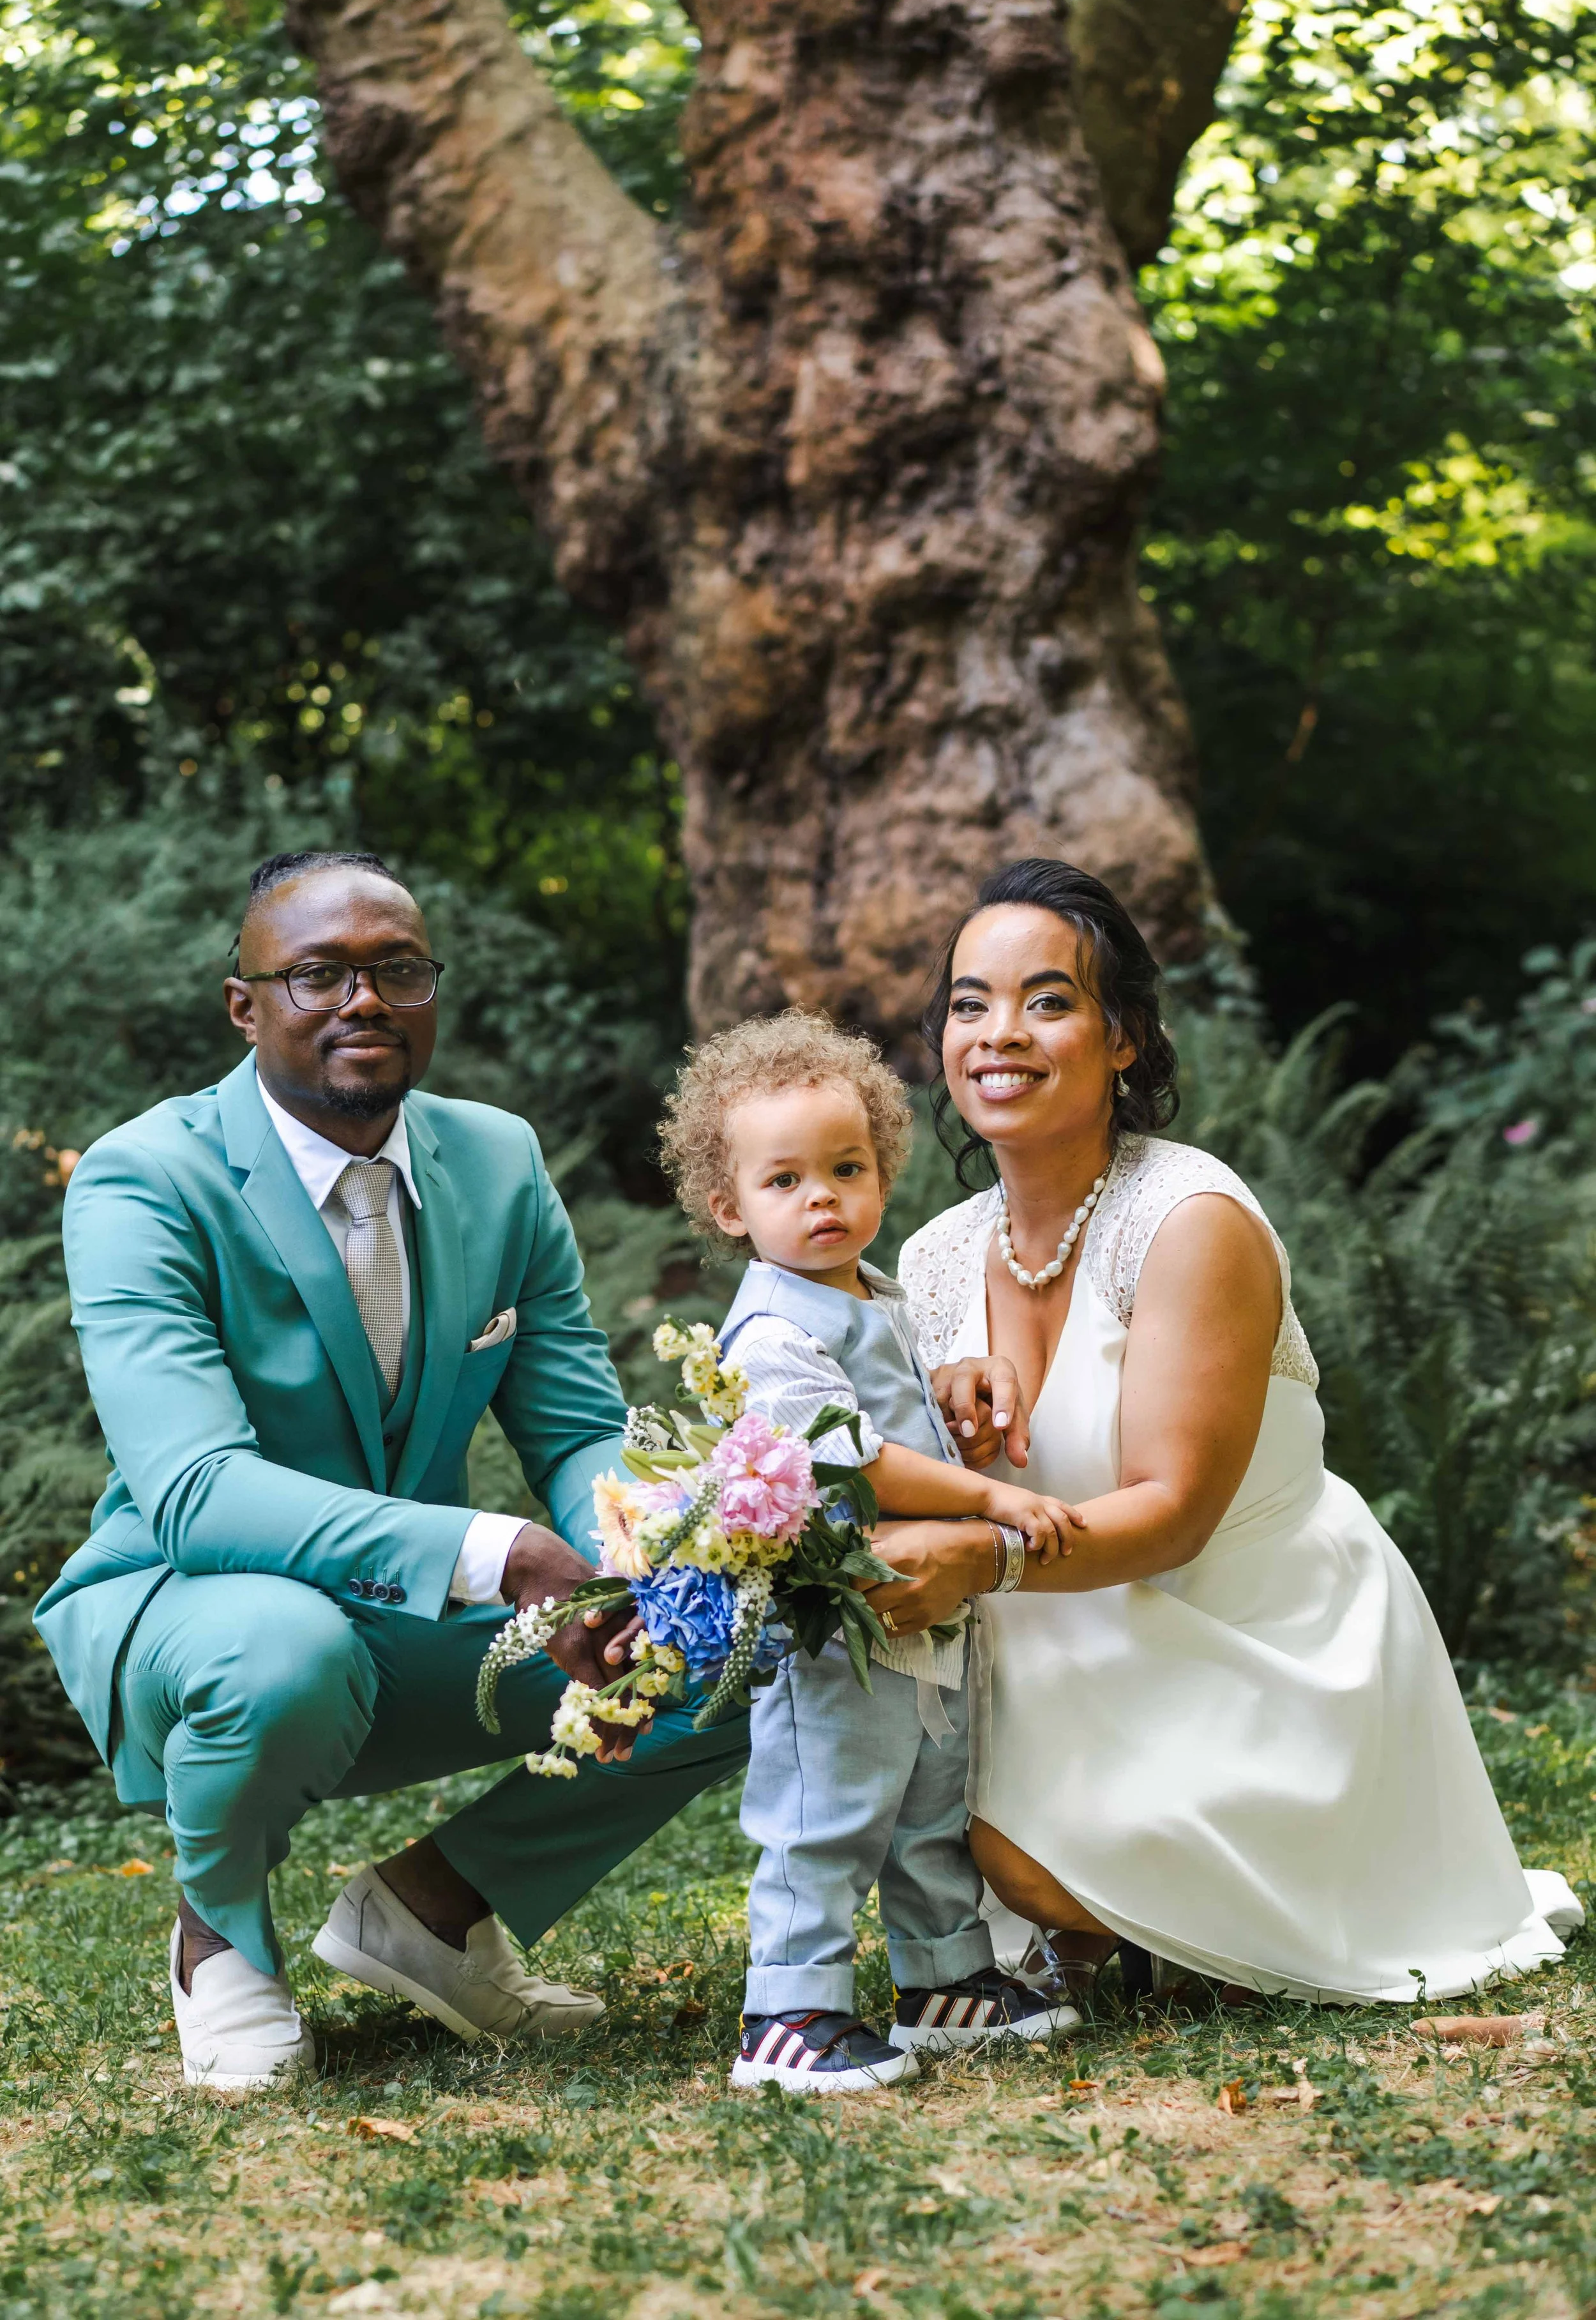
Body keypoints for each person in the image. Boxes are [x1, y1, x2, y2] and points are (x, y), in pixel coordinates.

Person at [35, 850, 748, 2091]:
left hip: (402, 1621)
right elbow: (197, 1488)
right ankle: (221, 1938)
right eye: (318, 974)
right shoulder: (143, 1179)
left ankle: (433, 1911)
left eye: (396, 970)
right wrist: (500, 1554)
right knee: (284, 1649)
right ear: (243, 1005)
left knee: (735, 1641)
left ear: (430, 992)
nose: (363, 1000)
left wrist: (640, 1549)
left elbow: (574, 1424)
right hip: (192, 1610)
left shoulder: (496, 1161)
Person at [864, 857, 1582, 2006]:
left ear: (1125, 1039)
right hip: (1073, 1639)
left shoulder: (1190, 1218)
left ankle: (1191, 1900)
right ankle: (1125, 1912)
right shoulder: (935, 1257)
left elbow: (1178, 1514)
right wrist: (942, 1418)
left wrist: (980, 1551)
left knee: (996, 1852)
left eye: (1048, 1000)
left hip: (1267, 1645)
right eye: (969, 1002)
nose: (1000, 1032)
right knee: (925, 1774)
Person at [657, 1012, 1078, 2091]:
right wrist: (986, 1492)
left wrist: (949, 1389)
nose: (823, 1198)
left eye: (847, 1168)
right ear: (729, 1207)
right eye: (785, 1180)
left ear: (883, 1169)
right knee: (826, 1816)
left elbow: (901, 1395)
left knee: (930, 1799)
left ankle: (946, 1980)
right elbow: (852, 1455)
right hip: (831, 1623)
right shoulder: (768, 1328)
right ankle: (789, 2013)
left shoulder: (876, 1294)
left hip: (917, 1612)